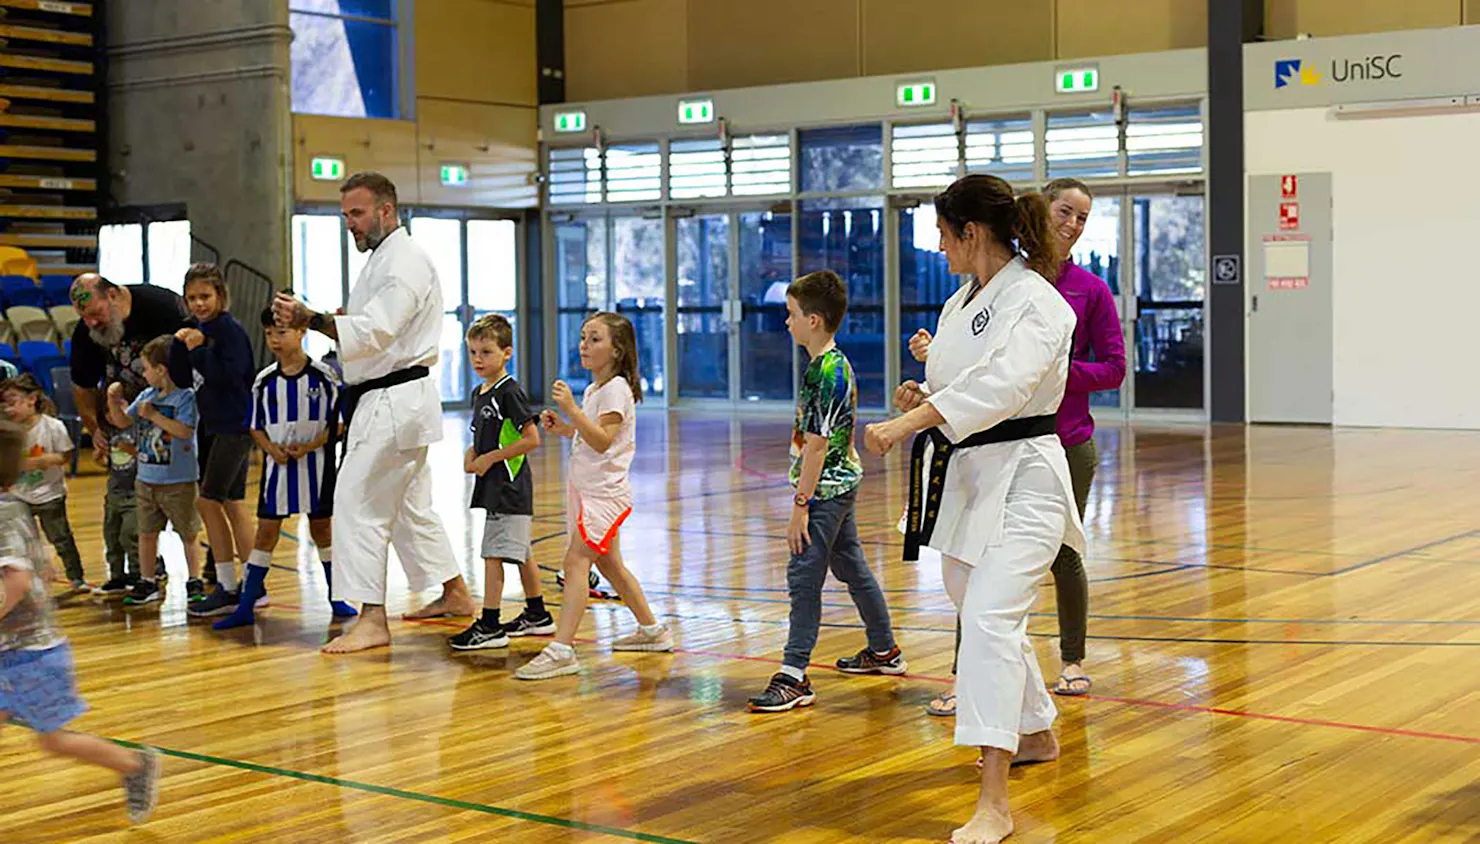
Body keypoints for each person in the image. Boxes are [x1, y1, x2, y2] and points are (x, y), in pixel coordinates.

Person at [864, 174, 1083, 844]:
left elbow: (1004, 386)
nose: (938, 246)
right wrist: (921, 397)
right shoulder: (964, 301)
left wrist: (909, 425)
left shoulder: (1041, 304)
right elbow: (960, 384)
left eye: (942, 232)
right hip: (969, 476)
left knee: (989, 618)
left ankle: (993, 800)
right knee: (972, 598)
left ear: (973, 232)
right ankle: (1037, 728)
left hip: (1027, 479)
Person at [921, 177, 1126, 716]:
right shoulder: (980, 291)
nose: (1072, 225)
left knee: (1059, 558)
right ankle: (973, 679)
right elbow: (978, 374)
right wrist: (938, 363)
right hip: (983, 448)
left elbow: (1112, 369)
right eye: (1065, 211)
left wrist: (1048, 370)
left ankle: (1072, 660)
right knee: (973, 574)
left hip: (1061, 441)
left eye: (1083, 218)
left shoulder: (1081, 291)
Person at [271, 171, 474, 654]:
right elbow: (370, 324)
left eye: (357, 213)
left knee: (357, 504)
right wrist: (328, 319)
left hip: (393, 402)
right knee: (407, 506)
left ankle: (371, 618)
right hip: (391, 400)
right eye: (345, 215)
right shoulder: (386, 259)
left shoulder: (404, 260)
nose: (350, 224)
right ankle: (455, 593)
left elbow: (377, 331)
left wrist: (312, 319)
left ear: (386, 209)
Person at [747, 271, 905, 713]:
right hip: (842, 482)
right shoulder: (831, 365)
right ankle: (885, 650)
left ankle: (794, 675)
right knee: (853, 567)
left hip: (826, 491)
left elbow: (816, 445)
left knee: (804, 576)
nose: (787, 322)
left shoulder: (826, 373)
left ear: (813, 320)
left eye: (792, 314)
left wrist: (801, 505)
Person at [0, 420, 162, 824]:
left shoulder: (4, 514)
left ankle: (134, 765)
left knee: (55, 741)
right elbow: (45, 565)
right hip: (13, 651)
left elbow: (17, 579)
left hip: (30, 656)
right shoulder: (12, 508)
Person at [514, 312, 671, 680]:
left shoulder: (616, 389)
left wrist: (571, 410)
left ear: (617, 350)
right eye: (584, 337)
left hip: (604, 494)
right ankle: (653, 631)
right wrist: (567, 428)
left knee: (575, 564)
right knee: (609, 564)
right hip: (587, 489)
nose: (585, 344)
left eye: (595, 339)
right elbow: (593, 436)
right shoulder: (596, 389)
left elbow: (603, 442)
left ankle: (562, 649)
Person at [214, 310, 356, 630]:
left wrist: (310, 445)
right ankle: (247, 605)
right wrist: (270, 449)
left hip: (317, 466)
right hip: (277, 470)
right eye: (269, 334)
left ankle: (338, 598)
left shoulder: (324, 376)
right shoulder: (264, 381)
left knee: (322, 531)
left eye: (282, 332)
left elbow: (340, 425)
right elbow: (255, 426)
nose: (275, 340)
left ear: (302, 332)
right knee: (266, 532)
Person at [448, 314, 551, 651]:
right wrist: (471, 455)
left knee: (492, 555)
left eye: (487, 352)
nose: (478, 359)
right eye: (474, 352)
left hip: (509, 486)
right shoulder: (481, 392)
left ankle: (490, 624)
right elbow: (481, 438)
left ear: (507, 353)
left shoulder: (509, 392)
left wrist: (491, 459)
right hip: (493, 486)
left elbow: (531, 438)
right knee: (522, 552)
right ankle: (537, 614)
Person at [171, 265, 259, 617]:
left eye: (205, 297)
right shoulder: (197, 329)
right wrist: (181, 346)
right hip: (210, 426)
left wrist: (200, 350)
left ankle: (227, 585)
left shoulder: (229, 331)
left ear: (220, 296)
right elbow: (181, 378)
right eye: (192, 298)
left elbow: (229, 376)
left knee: (208, 502)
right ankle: (255, 585)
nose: (199, 304)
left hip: (233, 425)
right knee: (232, 503)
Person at [105, 336, 205, 607]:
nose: (143, 373)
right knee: (146, 533)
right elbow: (124, 421)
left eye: (147, 368)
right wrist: (114, 401)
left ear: (161, 370)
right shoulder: (146, 396)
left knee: (188, 533)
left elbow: (185, 431)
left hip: (179, 480)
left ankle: (194, 578)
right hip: (147, 479)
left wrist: (155, 417)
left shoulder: (186, 397)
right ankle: (147, 579)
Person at [67, 273, 192, 469]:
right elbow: (83, 387)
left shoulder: (163, 306)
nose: (91, 323)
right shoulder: (86, 332)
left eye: (96, 313)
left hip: (169, 419)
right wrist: (95, 429)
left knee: (172, 486)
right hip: (119, 422)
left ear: (112, 295)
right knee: (123, 489)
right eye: (84, 317)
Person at [0, 375, 86, 591]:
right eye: (4, 403)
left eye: (13, 402)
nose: (8, 409)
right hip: (19, 496)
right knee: (25, 542)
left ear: (32, 399)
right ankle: (35, 578)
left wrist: (42, 461)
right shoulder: (7, 432)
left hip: (50, 494)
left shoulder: (52, 426)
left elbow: (65, 455)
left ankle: (77, 577)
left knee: (61, 539)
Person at [93, 384, 144, 597]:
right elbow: (106, 462)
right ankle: (116, 575)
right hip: (114, 493)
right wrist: (99, 457)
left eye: (120, 404)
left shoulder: (139, 430)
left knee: (130, 534)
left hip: (134, 494)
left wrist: (130, 450)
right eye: (109, 409)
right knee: (111, 535)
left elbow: (145, 455)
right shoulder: (110, 434)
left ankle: (138, 573)